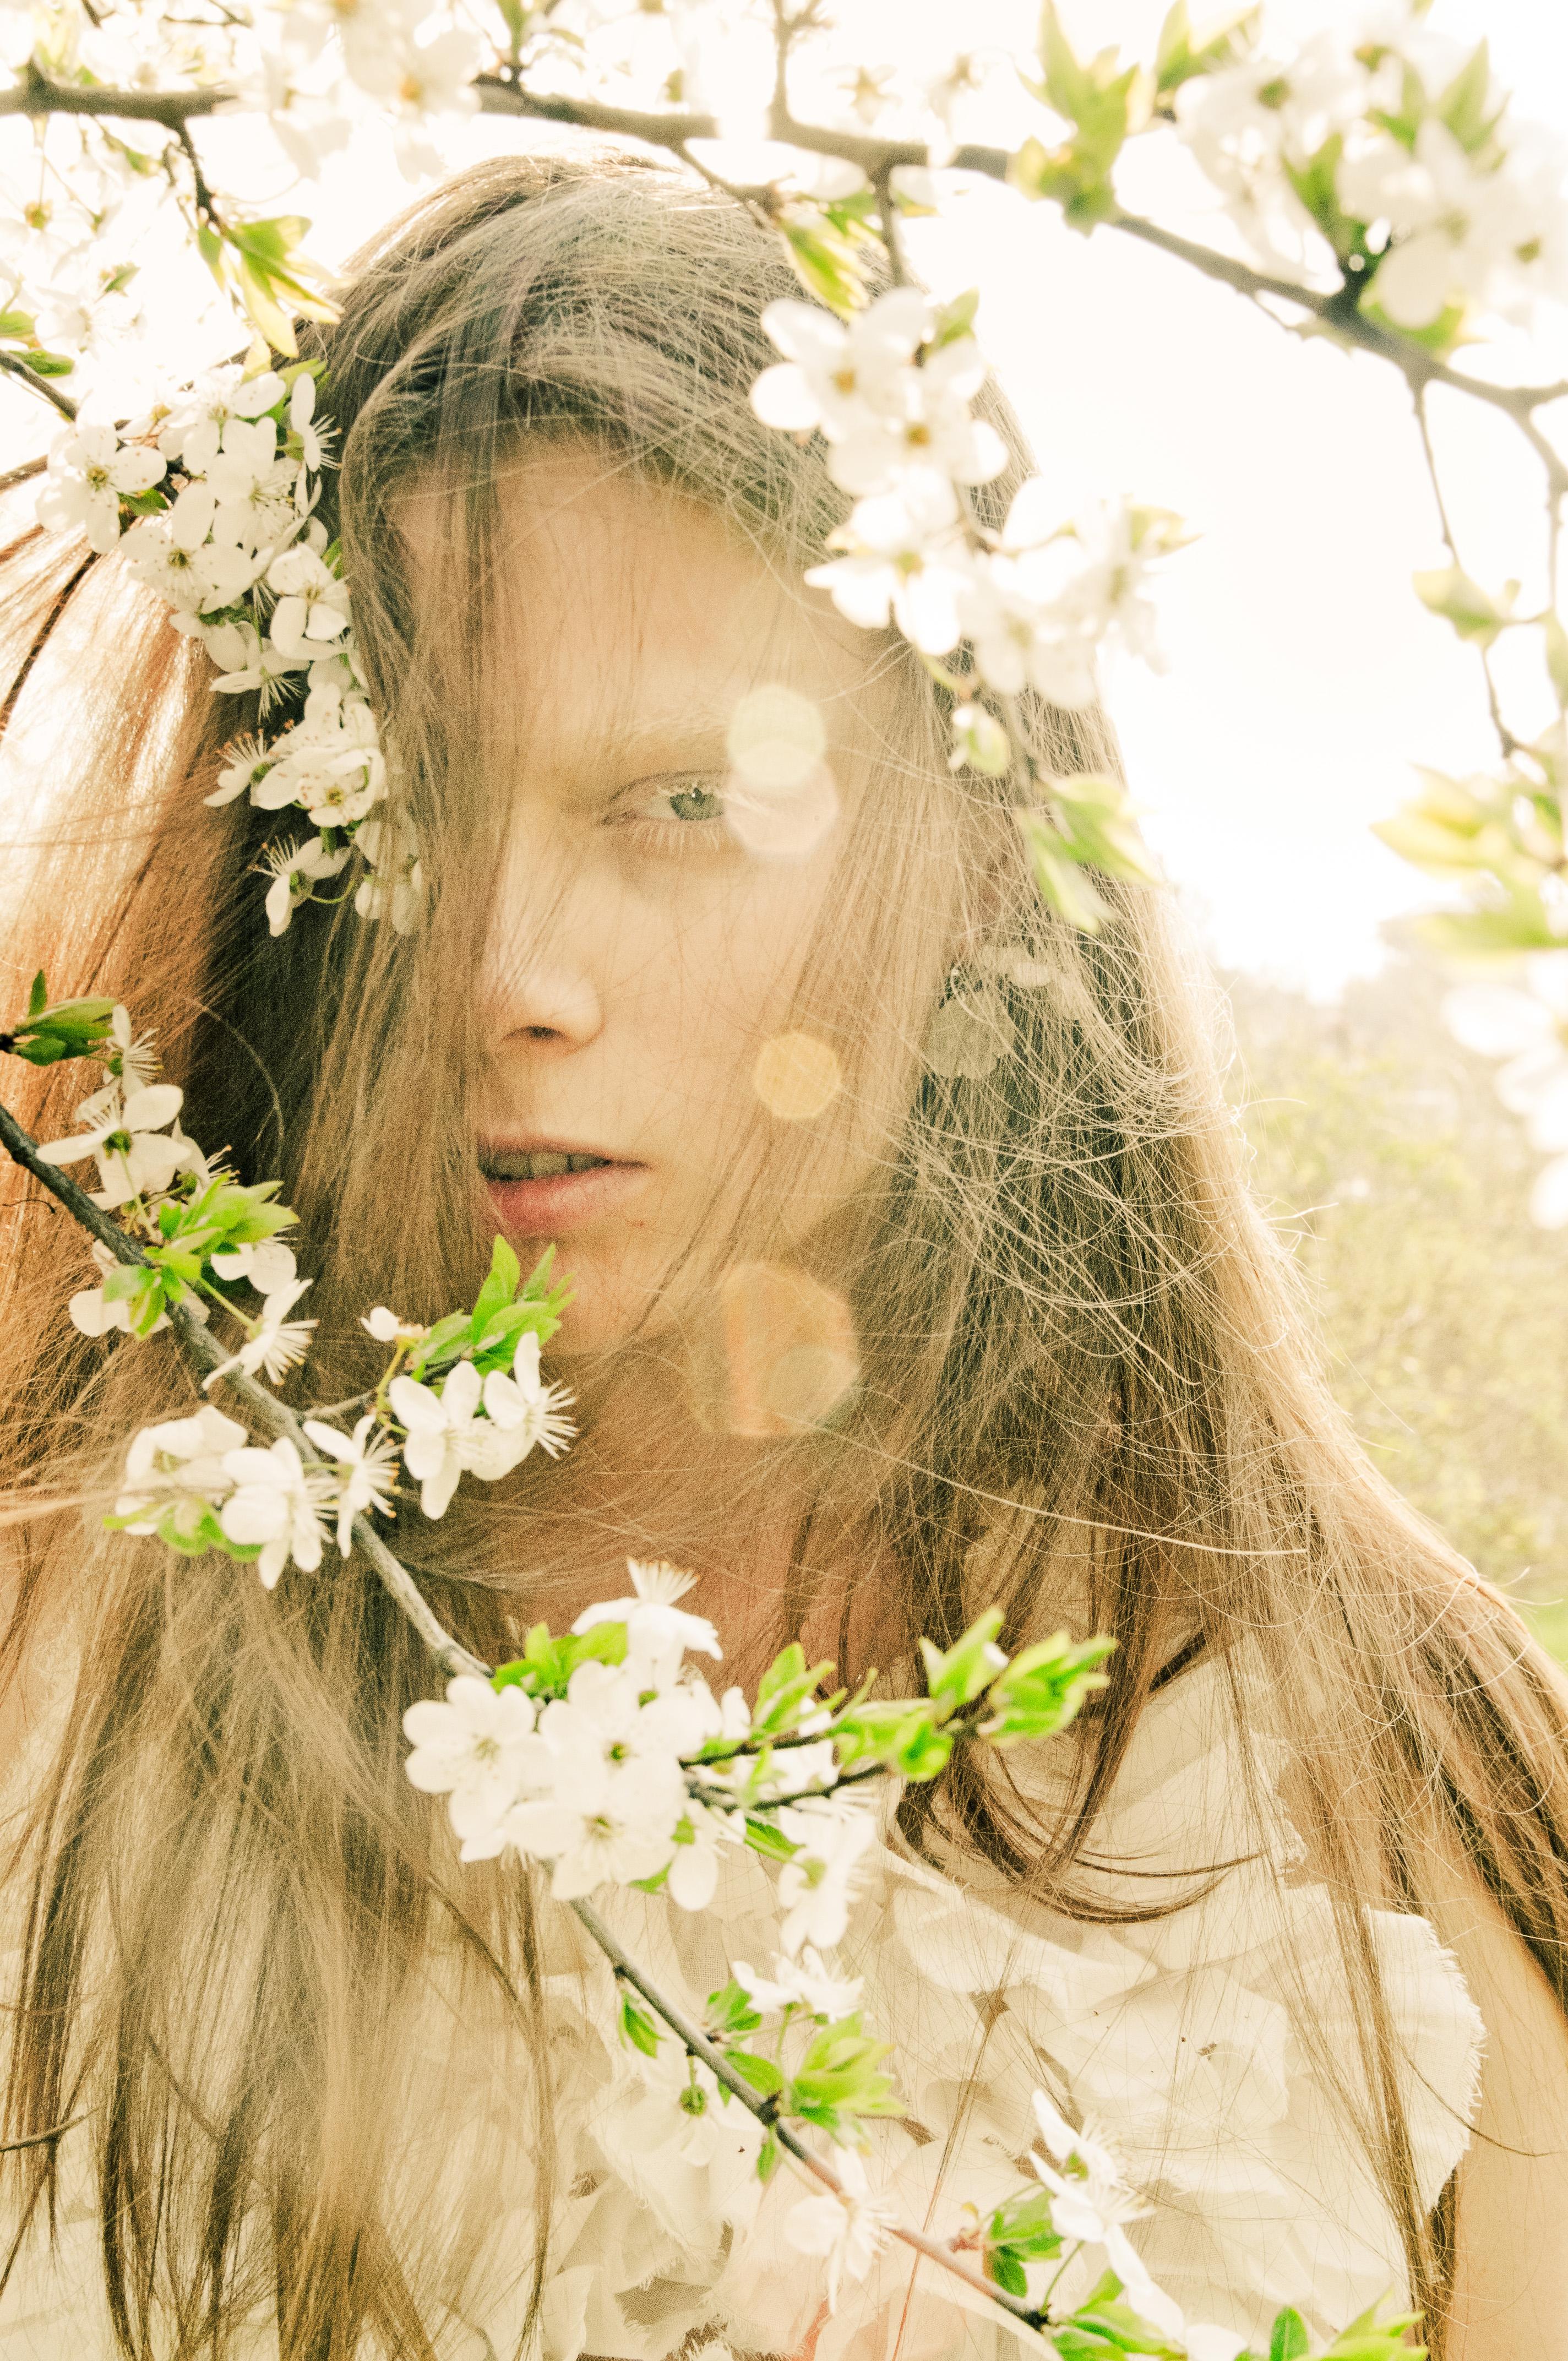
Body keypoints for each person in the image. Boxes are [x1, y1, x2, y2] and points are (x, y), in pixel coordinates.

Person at [0, 148, 1564, 2361]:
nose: (511, 968)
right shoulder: (70, 1661)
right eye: (415, 815)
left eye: (683, 807)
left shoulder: (1362, 1771)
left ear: (982, 871)